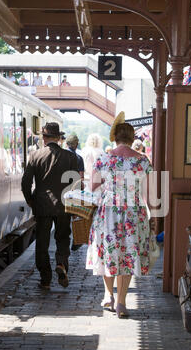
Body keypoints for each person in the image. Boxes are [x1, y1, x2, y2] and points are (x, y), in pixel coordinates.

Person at [86, 111, 154, 318]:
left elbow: (93, 187)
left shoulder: (103, 159)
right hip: (134, 213)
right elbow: (149, 194)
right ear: (133, 138)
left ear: (115, 137)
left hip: (108, 213)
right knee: (127, 255)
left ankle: (108, 295)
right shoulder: (143, 162)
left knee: (108, 252)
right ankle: (122, 303)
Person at [21, 122, 79, 290]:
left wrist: (30, 199)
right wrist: (75, 206)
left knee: (42, 243)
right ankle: (61, 264)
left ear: (44, 138)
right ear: (59, 138)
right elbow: (75, 184)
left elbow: (26, 182)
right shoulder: (70, 157)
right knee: (62, 237)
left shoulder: (35, 156)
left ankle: (45, 279)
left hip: (42, 205)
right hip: (63, 205)